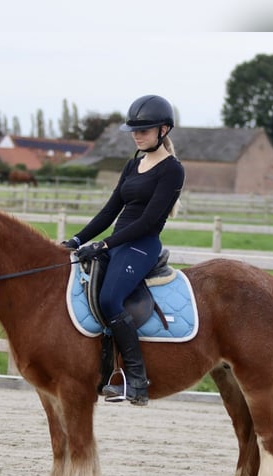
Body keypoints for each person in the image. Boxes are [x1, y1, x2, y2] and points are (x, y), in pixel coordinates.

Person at [62, 94, 184, 406]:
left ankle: (136, 379)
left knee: (109, 298)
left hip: (142, 246)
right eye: (134, 130)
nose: (137, 134)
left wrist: (104, 244)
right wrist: (77, 240)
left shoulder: (172, 170)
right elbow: (109, 212)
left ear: (164, 130)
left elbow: (148, 221)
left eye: (144, 130)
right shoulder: (133, 165)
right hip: (119, 241)